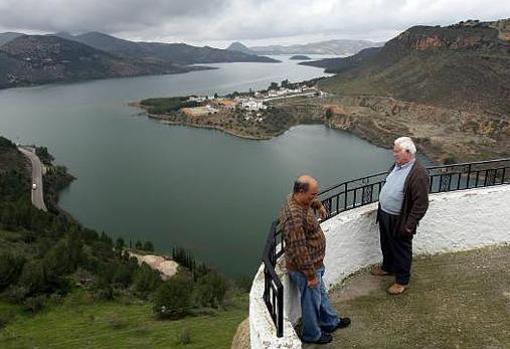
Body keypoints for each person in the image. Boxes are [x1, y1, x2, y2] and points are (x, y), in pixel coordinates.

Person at [279, 175, 350, 345]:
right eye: (313, 194)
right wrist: (310, 275)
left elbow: (310, 201)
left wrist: (318, 205)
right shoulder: (293, 217)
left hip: (315, 264)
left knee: (321, 295)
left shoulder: (297, 198)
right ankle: (312, 335)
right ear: (301, 191)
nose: (315, 196)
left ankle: (330, 322)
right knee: (311, 302)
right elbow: (299, 250)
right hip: (305, 269)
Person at [371, 137, 429, 295]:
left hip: (400, 220)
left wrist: (409, 225)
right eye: (394, 150)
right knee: (387, 243)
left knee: (401, 249)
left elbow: (421, 204)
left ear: (408, 152)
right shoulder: (397, 166)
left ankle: (402, 281)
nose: (394, 154)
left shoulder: (418, 173)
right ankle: (387, 268)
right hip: (385, 214)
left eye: (397, 151)